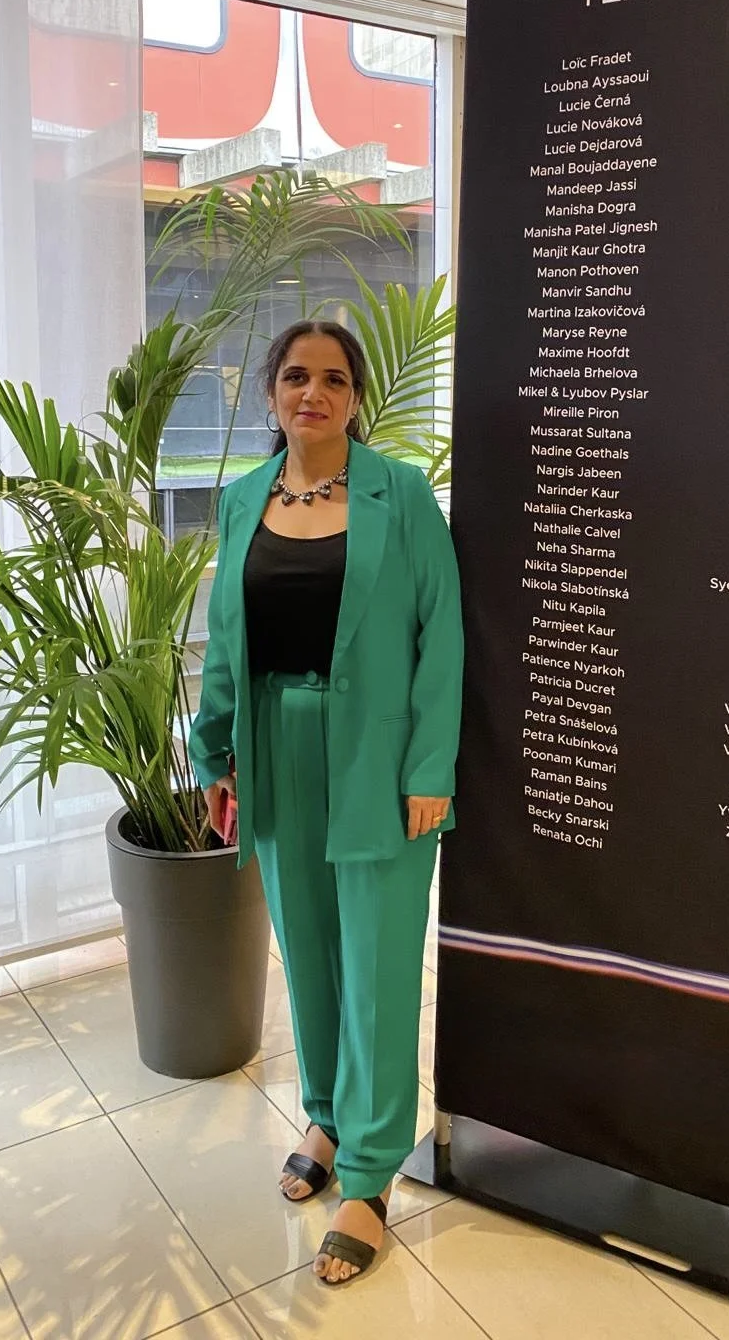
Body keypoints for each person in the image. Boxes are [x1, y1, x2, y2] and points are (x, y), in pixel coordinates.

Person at [188, 318, 463, 1287]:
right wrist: (212, 750)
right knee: (307, 947)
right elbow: (225, 639)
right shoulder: (241, 501)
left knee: (378, 962)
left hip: (380, 760)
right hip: (275, 747)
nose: (315, 391)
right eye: (297, 376)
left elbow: (443, 632)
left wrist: (432, 767)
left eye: (335, 378)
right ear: (271, 393)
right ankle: (329, 1114)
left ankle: (373, 1169)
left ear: (357, 398)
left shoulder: (401, 496)